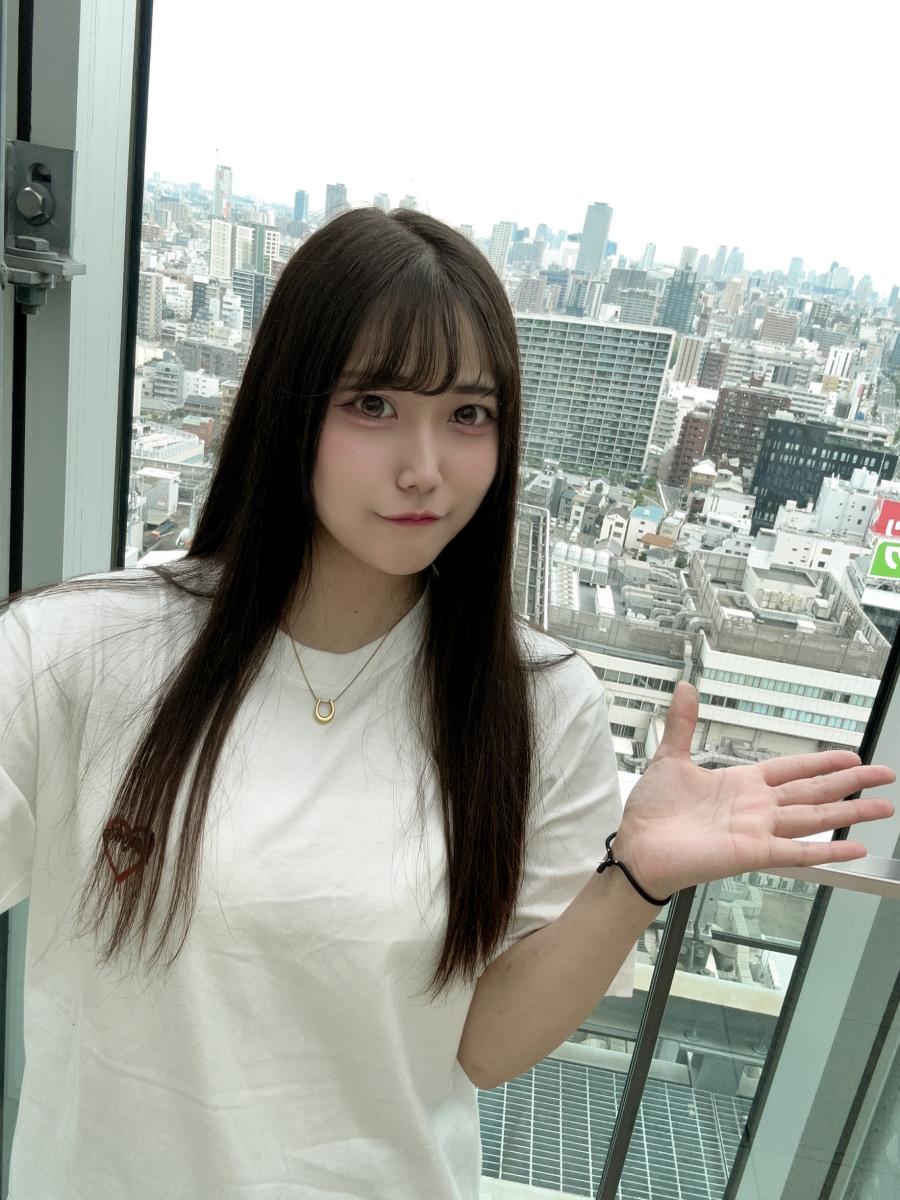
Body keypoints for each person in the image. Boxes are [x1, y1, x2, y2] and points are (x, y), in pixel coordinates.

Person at [0, 207, 894, 1200]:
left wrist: (634, 879)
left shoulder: (536, 704)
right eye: (372, 403)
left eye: (468, 415)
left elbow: (483, 1048)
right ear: (286, 409)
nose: (424, 468)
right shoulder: (77, 649)